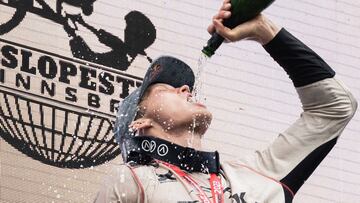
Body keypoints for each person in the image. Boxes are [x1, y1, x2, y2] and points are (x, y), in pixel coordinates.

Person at [94, 0, 358, 202]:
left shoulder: (253, 177)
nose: (185, 88)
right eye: (165, 88)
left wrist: (265, 32)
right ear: (141, 122)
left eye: (185, 87)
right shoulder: (131, 180)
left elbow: (336, 108)